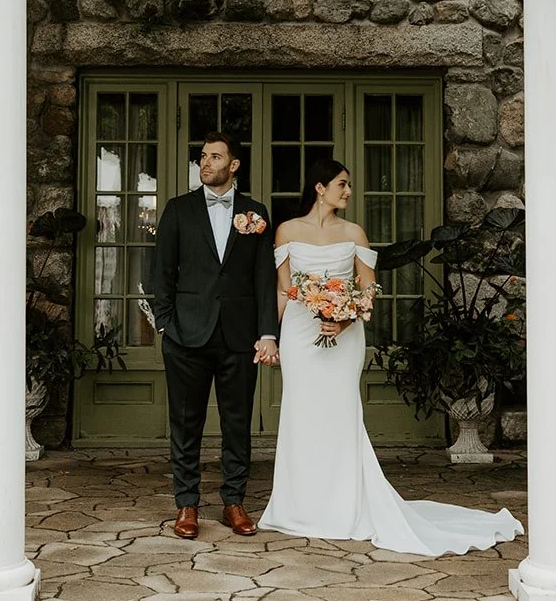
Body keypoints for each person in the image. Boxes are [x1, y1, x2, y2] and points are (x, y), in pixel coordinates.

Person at [259, 156, 522, 555]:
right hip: (299, 332)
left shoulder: (355, 233)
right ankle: (299, 505)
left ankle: (344, 505)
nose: (348, 191)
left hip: (343, 337)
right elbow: (283, 290)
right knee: (301, 413)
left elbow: (367, 294)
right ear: (320, 187)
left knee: (340, 412)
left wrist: (344, 321)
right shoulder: (286, 232)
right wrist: (271, 337)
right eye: (342, 184)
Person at [151, 132, 279, 539]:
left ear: (234, 165)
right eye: (202, 157)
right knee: (185, 422)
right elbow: (161, 273)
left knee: (237, 423)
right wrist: (165, 323)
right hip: (186, 335)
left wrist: (267, 333)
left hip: (239, 337)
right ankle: (186, 504)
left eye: (215, 157)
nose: (205, 163)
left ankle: (233, 502)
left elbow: (264, 278)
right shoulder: (178, 210)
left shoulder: (256, 214)